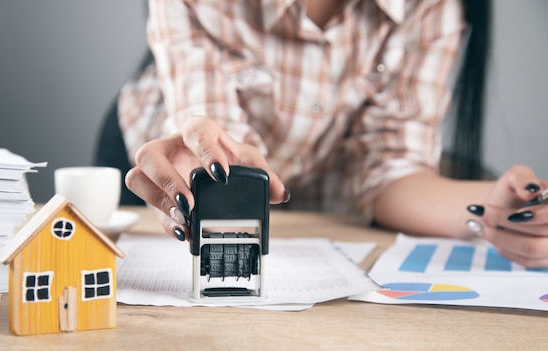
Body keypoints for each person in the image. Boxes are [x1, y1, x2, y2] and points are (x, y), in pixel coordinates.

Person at [97, 0, 548, 268]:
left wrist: (499, 208)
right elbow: (212, 133)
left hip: (328, 200)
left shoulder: (429, 7)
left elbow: (394, 168)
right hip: (164, 166)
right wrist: (214, 161)